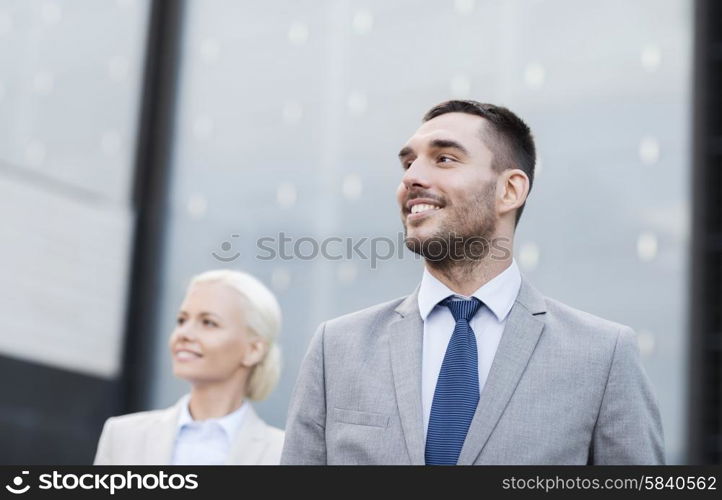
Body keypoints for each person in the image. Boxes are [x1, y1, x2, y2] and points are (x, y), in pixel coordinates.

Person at [281, 100, 664, 465]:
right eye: (408, 163)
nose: (411, 178)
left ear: (509, 190)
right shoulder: (337, 348)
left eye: (444, 158)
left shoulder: (602, 356)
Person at [94, 269, 284, 465]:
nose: (184, 333)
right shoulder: (123, 436)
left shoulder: (283, 455)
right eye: (182, 320)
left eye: (209, 323)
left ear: (253, 350)